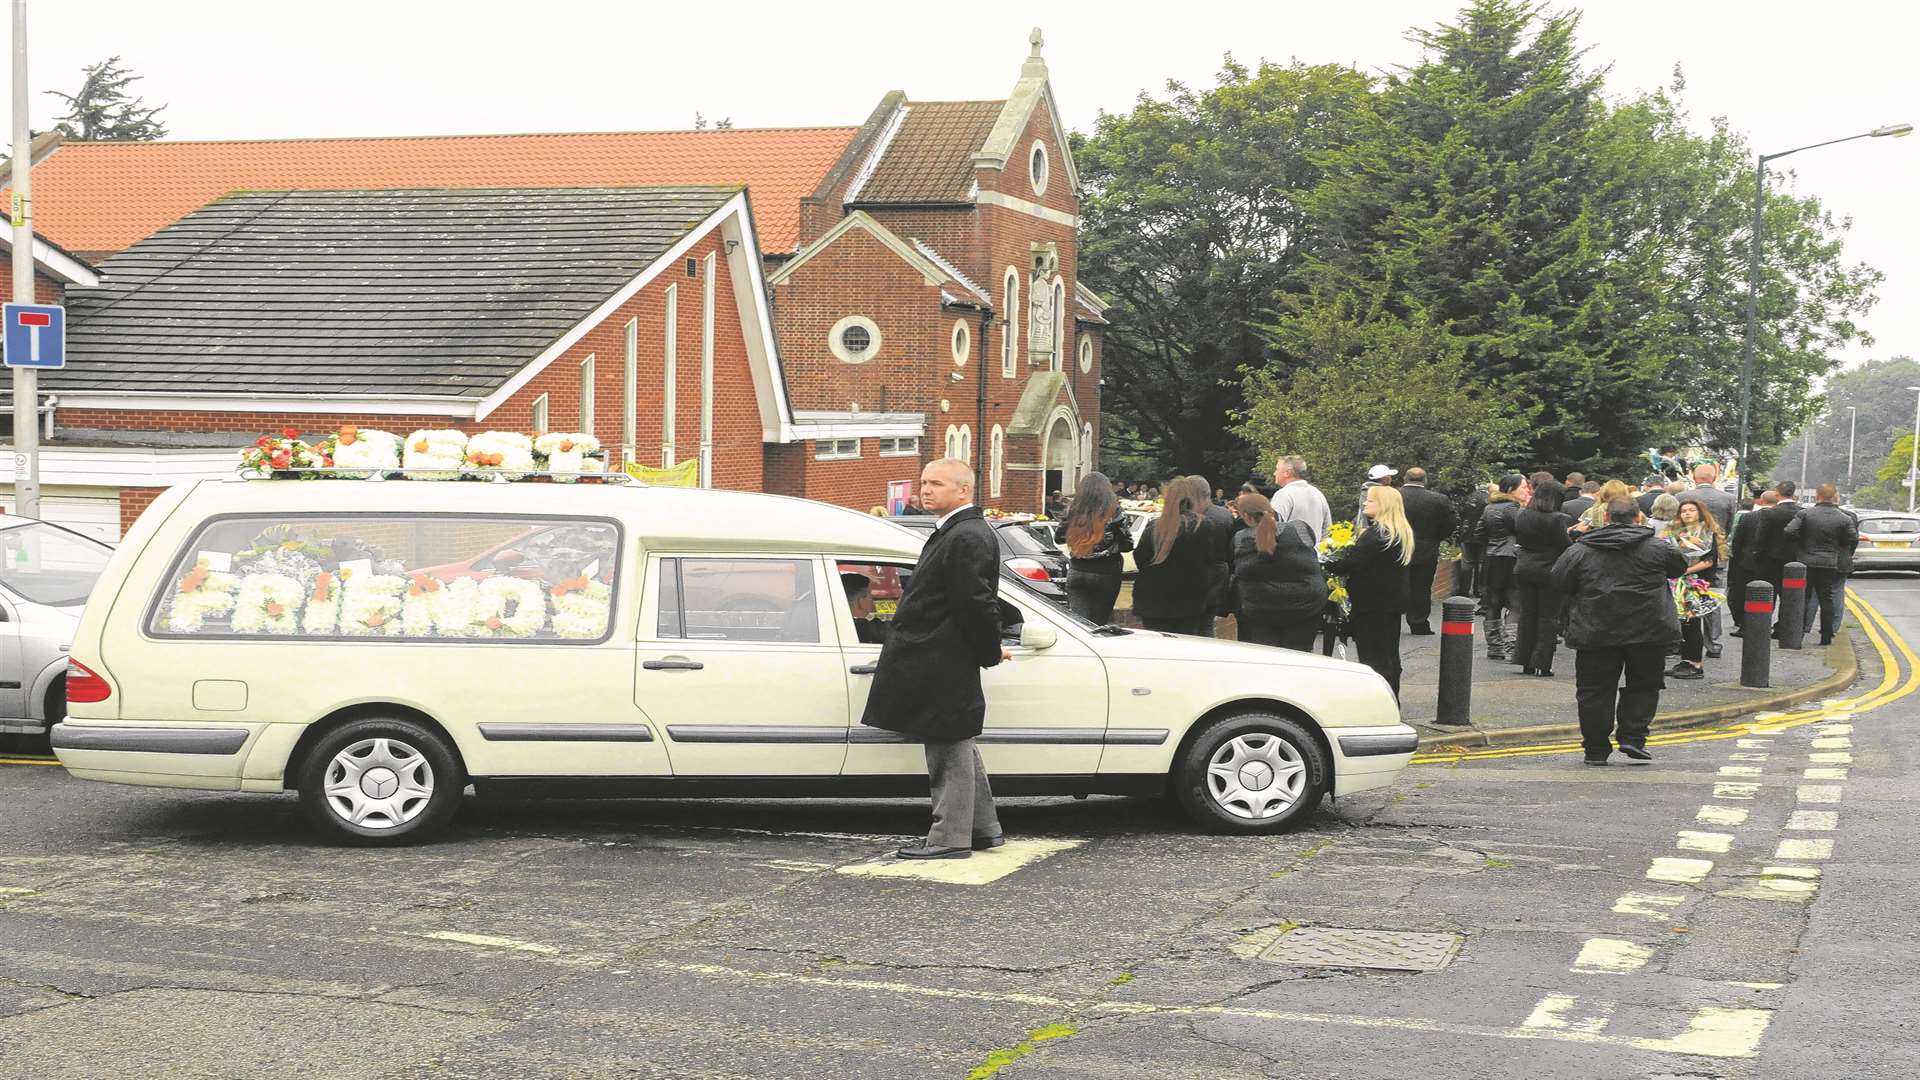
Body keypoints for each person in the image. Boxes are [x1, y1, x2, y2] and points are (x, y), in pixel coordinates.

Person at [861, 459, 1009, 860]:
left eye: (936, 484)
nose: (925, 490)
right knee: (955, 742)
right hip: (940, 656)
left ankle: (949, 839)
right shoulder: (958, 531)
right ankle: (982, 829)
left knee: (948, 747)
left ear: (963, 490)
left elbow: (976, 602)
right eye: (923, 483)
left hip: (942, 658)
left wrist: (989, 650)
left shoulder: (967, 536)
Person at [1551, 497, 1688, 766]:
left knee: (1594, 691)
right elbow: (1679, 568)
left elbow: (1559, 580)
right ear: (1638, 517)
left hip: (1595, 630)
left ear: (1607, 517)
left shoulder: (1581, 550)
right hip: (1649, 630)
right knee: (1645, 685)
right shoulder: (1659, 549)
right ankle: (1633, 737)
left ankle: (1595, 748)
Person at [1325, 484, 1415, 699]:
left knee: (1374, 657)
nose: (1365, 502)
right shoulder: (1398, 533)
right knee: (1388, 655)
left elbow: (1351, 563)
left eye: (1371, 500)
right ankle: (1391, 698)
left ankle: (1379, 702)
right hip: (1390, 603)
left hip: (1372, 605)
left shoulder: (1375, 536)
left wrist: (1327, 559)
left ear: (1383, 505)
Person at [1230, 492, 1327, 651]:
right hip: (1307, 604)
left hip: (1261, 608)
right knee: (1300, 655)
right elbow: (1311, 544)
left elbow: (1238, 569)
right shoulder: (1299, 527)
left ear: (1245, 516)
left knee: (1267, 657)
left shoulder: (1241, 538)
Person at [1133, 477, 1215, 635]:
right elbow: (1209, 559)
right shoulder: (1204, 526)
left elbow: (1140, 557)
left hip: (1153, 600)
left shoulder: (1155, 527)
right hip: (1189, 599)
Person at [1513, 479, 1575, 676]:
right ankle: (1542, 662)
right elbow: (1565, 546)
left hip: (1524, 567)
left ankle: (1525, 661)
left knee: (1528, 614)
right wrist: (1573, 533)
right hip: (1548, 570)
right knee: (1548, 617)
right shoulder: (1558, 519)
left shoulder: (1522, 514)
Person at [1054, 471, 1133, 625]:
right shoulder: (1114, 512)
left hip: (1078, 570)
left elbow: (1059, 537)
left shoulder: (1073, 510)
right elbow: (1127, 545)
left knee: (1079, 624)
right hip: (1106, 572)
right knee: (1099, 624)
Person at [1784, 483, 1859, 646]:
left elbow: (1789, 531)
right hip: (1829, 561)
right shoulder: (1843, 518)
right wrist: (1837, 544)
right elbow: (1852, 539)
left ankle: (1799, 633)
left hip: (1806, 560)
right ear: (1834, 497)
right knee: (1827, 599)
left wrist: (1801, 543)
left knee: (1804, 598)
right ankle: (1826, 637)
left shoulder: (1805, 514)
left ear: (1817, 495)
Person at [1664, 498, 1727, 680]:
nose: (1687, 513)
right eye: (1683, 510)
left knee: (1692, 623)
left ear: (1700, 512)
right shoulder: (1677, 533)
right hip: (1679, 582)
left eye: (1691, 510)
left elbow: (1708, 561)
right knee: (1684, 623)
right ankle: (1686, 660)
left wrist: (1684, 571)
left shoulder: (1708, 533)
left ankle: (1695, 664)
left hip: (1698, 583)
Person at [1681, 464, 1735, 658]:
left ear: (1694, 478)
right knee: (1712, 597)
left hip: (1688, 557)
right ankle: (1713, 643)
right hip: (1717, 555)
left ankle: (1686, 642)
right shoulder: (1728, 499)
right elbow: (1728, 527)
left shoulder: (1682, 497)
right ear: (1713, 478)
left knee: (1685, 598)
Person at [1398, 467, 1458, 636]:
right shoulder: (1439, 500)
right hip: (1426, 548)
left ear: (1404, 478)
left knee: (1396, 583)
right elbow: (1451, 524)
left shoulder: (1395, 496)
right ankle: (1418, 623)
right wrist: (1435, 538)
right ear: (1425, 480)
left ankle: (1392, 619)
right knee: (1422, 587)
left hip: (1398, 546)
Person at [1479, 474, 1526, 661]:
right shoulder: (1513, 508)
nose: (1527, 490)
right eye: (1523, 487)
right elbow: (1523, 530)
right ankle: (1512, 644)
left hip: (1491, 557)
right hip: (1511, 557)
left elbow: (1479, 533)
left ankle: (1494, 646)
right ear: (1510, 490)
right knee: (1516, 603)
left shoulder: (1488, 508)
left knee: (1493, 602)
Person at [1188, 474, 1237, 638]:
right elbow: (1233, 550)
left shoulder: (1188, 518)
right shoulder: (1225, 516)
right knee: (1207, 623)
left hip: (1193, 576)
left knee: (1190, 626)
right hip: (1219, 574)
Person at [1726, 490, 1779, 633]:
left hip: (1748, 561)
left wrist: (1737, 559)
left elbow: (1738, 541)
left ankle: (1745, 625)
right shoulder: (1782, 517)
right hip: (1773, 563)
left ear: (1761, 501)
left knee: (1745, 594)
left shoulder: (1748, 518)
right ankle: (1764, 622)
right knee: (1769, 594)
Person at [1756, 481, 1803, 630]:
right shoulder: (1802, 512)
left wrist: (1757, 556)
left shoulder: (1768, 513)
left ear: (1777, 494)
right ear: (1793, 493)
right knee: (1790, 596)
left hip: (1770, 560)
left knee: (1769, 594)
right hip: (1795, 561)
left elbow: (1760, 538)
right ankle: (1784, 627)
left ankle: (1763, 625)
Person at [1270, 455, 1333, 545]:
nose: (1274, 473)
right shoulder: (1318, 494)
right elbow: (1328, 530)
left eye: (1277, 469)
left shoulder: (1284, 495)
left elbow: (1272, 527)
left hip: (1289, 555)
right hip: (1315, 555)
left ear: (1287, 473)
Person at [1458, 483, 1492, 598]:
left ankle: (1464, 590)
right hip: (1483, 536)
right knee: (1482, 563)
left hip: (1466, 534)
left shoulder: (1468, 499)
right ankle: (1479, 590)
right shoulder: (1489, 500)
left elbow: (1461, 515)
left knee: (1466, 563)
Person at [842, 572, 891, 644]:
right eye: (870, 596)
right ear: (860, 601)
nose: (872, 600)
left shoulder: (837, 625)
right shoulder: (867, 629)